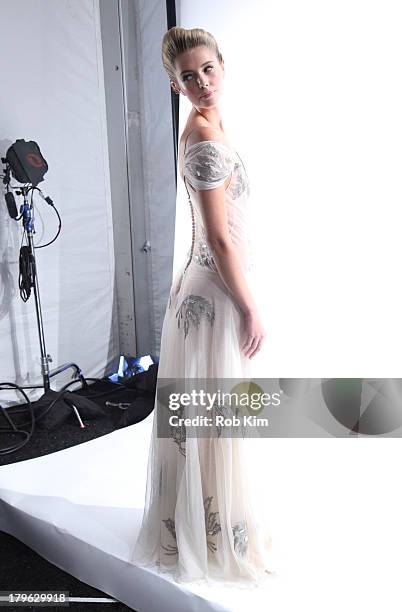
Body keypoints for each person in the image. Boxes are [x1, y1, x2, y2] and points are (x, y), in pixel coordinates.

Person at [130, 26, 274, 588]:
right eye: (188, 76)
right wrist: (251, 307)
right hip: (212, 296)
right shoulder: (203, 137)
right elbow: (219, 239)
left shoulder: (209, 126)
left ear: (222, 66)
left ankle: (211, 523)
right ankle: (212, 533)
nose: (201, 82)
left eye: (207, 69)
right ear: (174, 83)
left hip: (204, 289)